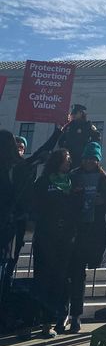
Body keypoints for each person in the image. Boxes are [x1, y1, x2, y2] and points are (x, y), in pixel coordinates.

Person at [0, 127, 63, 302]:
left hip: (11, 222)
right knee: (7, 265)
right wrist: (57, 133)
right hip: (12, 224)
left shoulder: (16, 167)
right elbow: (39, 153)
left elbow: (38, 154)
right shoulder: (18, 167)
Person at [32, 149, 77, 337]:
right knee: (43, 279)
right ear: (57, 161)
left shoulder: (71, 182)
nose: (69, 163)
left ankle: (50, 322)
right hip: (45, 236)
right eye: (66, 160)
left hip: (64, 237)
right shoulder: (43, 182)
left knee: (59, 280)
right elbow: (35, 205)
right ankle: (34, 321)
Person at [67, 141, 106, 333]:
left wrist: (105, 200)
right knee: (72, 275)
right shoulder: (73, 176)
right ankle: (68, 314)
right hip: (74, 229)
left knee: (79, 274)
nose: (90, 161)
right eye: (88, 158)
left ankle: (74, 314)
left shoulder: (104, 178)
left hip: (93, 230)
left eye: (94, 158)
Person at [58, 105, 102, 169]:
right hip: (69, 156)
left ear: (81, 113)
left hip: (81, 157)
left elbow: (97, 137)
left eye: (75, 113)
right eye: (72, 114)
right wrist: (64, 149)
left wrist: (88, 148)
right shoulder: (68, 126)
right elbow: (61, 140)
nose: (73, 115)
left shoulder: (87, 125)